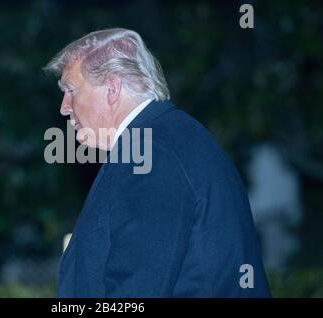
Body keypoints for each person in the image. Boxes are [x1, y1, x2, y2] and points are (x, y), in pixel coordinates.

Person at [43, 28, 271, 297]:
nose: (64, 107)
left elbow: (137, 291)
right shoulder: (164, 140)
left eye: (70, 89)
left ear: (112, 88)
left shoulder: (153, 154)